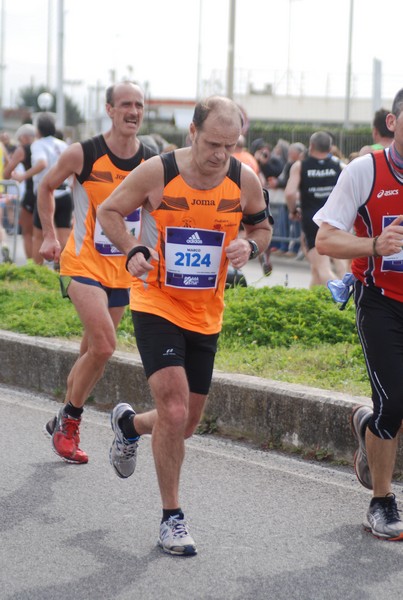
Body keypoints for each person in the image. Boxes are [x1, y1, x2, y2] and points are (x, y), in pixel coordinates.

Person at [97, 95, 272, 556]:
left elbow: (262, 227)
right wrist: (134, 248)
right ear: (192, 132)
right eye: (213, 143)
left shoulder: (243, 178)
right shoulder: (159, 171)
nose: (220, 154)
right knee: (174, 411)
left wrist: (250, 249)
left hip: (206, 311)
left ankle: (130, 426)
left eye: (230, 145)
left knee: (186, 423)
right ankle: (171, 518)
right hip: (156, 302)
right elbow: (109, 212)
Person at [38, 81, 155, 465]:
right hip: (81, 262)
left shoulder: (151, 159)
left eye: (139, 105)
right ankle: (70, 422)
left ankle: (60, 416)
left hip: (122, 269)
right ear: (109, 109)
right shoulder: (83, 153)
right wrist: (49, 237)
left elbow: (159, 208)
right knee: (105, 346)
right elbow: (46, 186)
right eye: (125, 104)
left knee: (92, 352)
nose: (133, 111)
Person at [314, 88, 403, 541]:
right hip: (380, 300)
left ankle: (367, 427)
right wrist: (374, 245)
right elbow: (325, 241)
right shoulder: (365, 170)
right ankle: (381, 503)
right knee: (393, 402)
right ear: (393, 121)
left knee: (393, 409)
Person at [285, 131, 346, 287]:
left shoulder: (300, 166)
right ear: (330, 147)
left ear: (311, 146)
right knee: (338, 264)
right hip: (336, 219)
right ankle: (316, 300)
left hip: (313, 220)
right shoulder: (339, 165)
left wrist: (293, 210)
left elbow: (290, 193)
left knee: (322, 268)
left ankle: (343, 298)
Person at [11, 114, 73, 265]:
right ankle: (62, 272)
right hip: (65, 193)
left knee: (39, 237)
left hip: (47, 194)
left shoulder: (38, 145)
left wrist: (23, 176)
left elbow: (42, 164)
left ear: (38, 130)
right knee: (64, 237)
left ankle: (37, 274)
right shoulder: (62, 144)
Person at [4, 124, 37, 259]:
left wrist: (17, 175)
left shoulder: (23, 149)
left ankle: (33, 266)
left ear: (24, 137)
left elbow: (7, 173)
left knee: (28, 233)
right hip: (53, 193)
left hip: (32, 193)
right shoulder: (44, 147)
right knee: (41, 233)